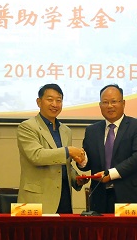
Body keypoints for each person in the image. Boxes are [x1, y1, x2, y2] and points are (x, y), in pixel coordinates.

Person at [16, 83, 87, 213]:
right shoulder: (26, 126)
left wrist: (76, 179)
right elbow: (36, 156)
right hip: (35, 200)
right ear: (39, 102)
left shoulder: (66, 131)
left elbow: (65, 164)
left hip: (63, 198)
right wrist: (68, 151)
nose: (55, 104)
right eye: (50, 99)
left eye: (59, 100)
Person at [81, 84, 137, 213]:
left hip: (131, 196)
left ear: (123, 103)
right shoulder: (92, 130)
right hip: (100, 198)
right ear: (100, 105)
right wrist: (81, 160)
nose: (109, 106)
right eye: (105, 102)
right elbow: (88, 163)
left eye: (114, 101)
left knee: (131, 228)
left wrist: (111, 174)